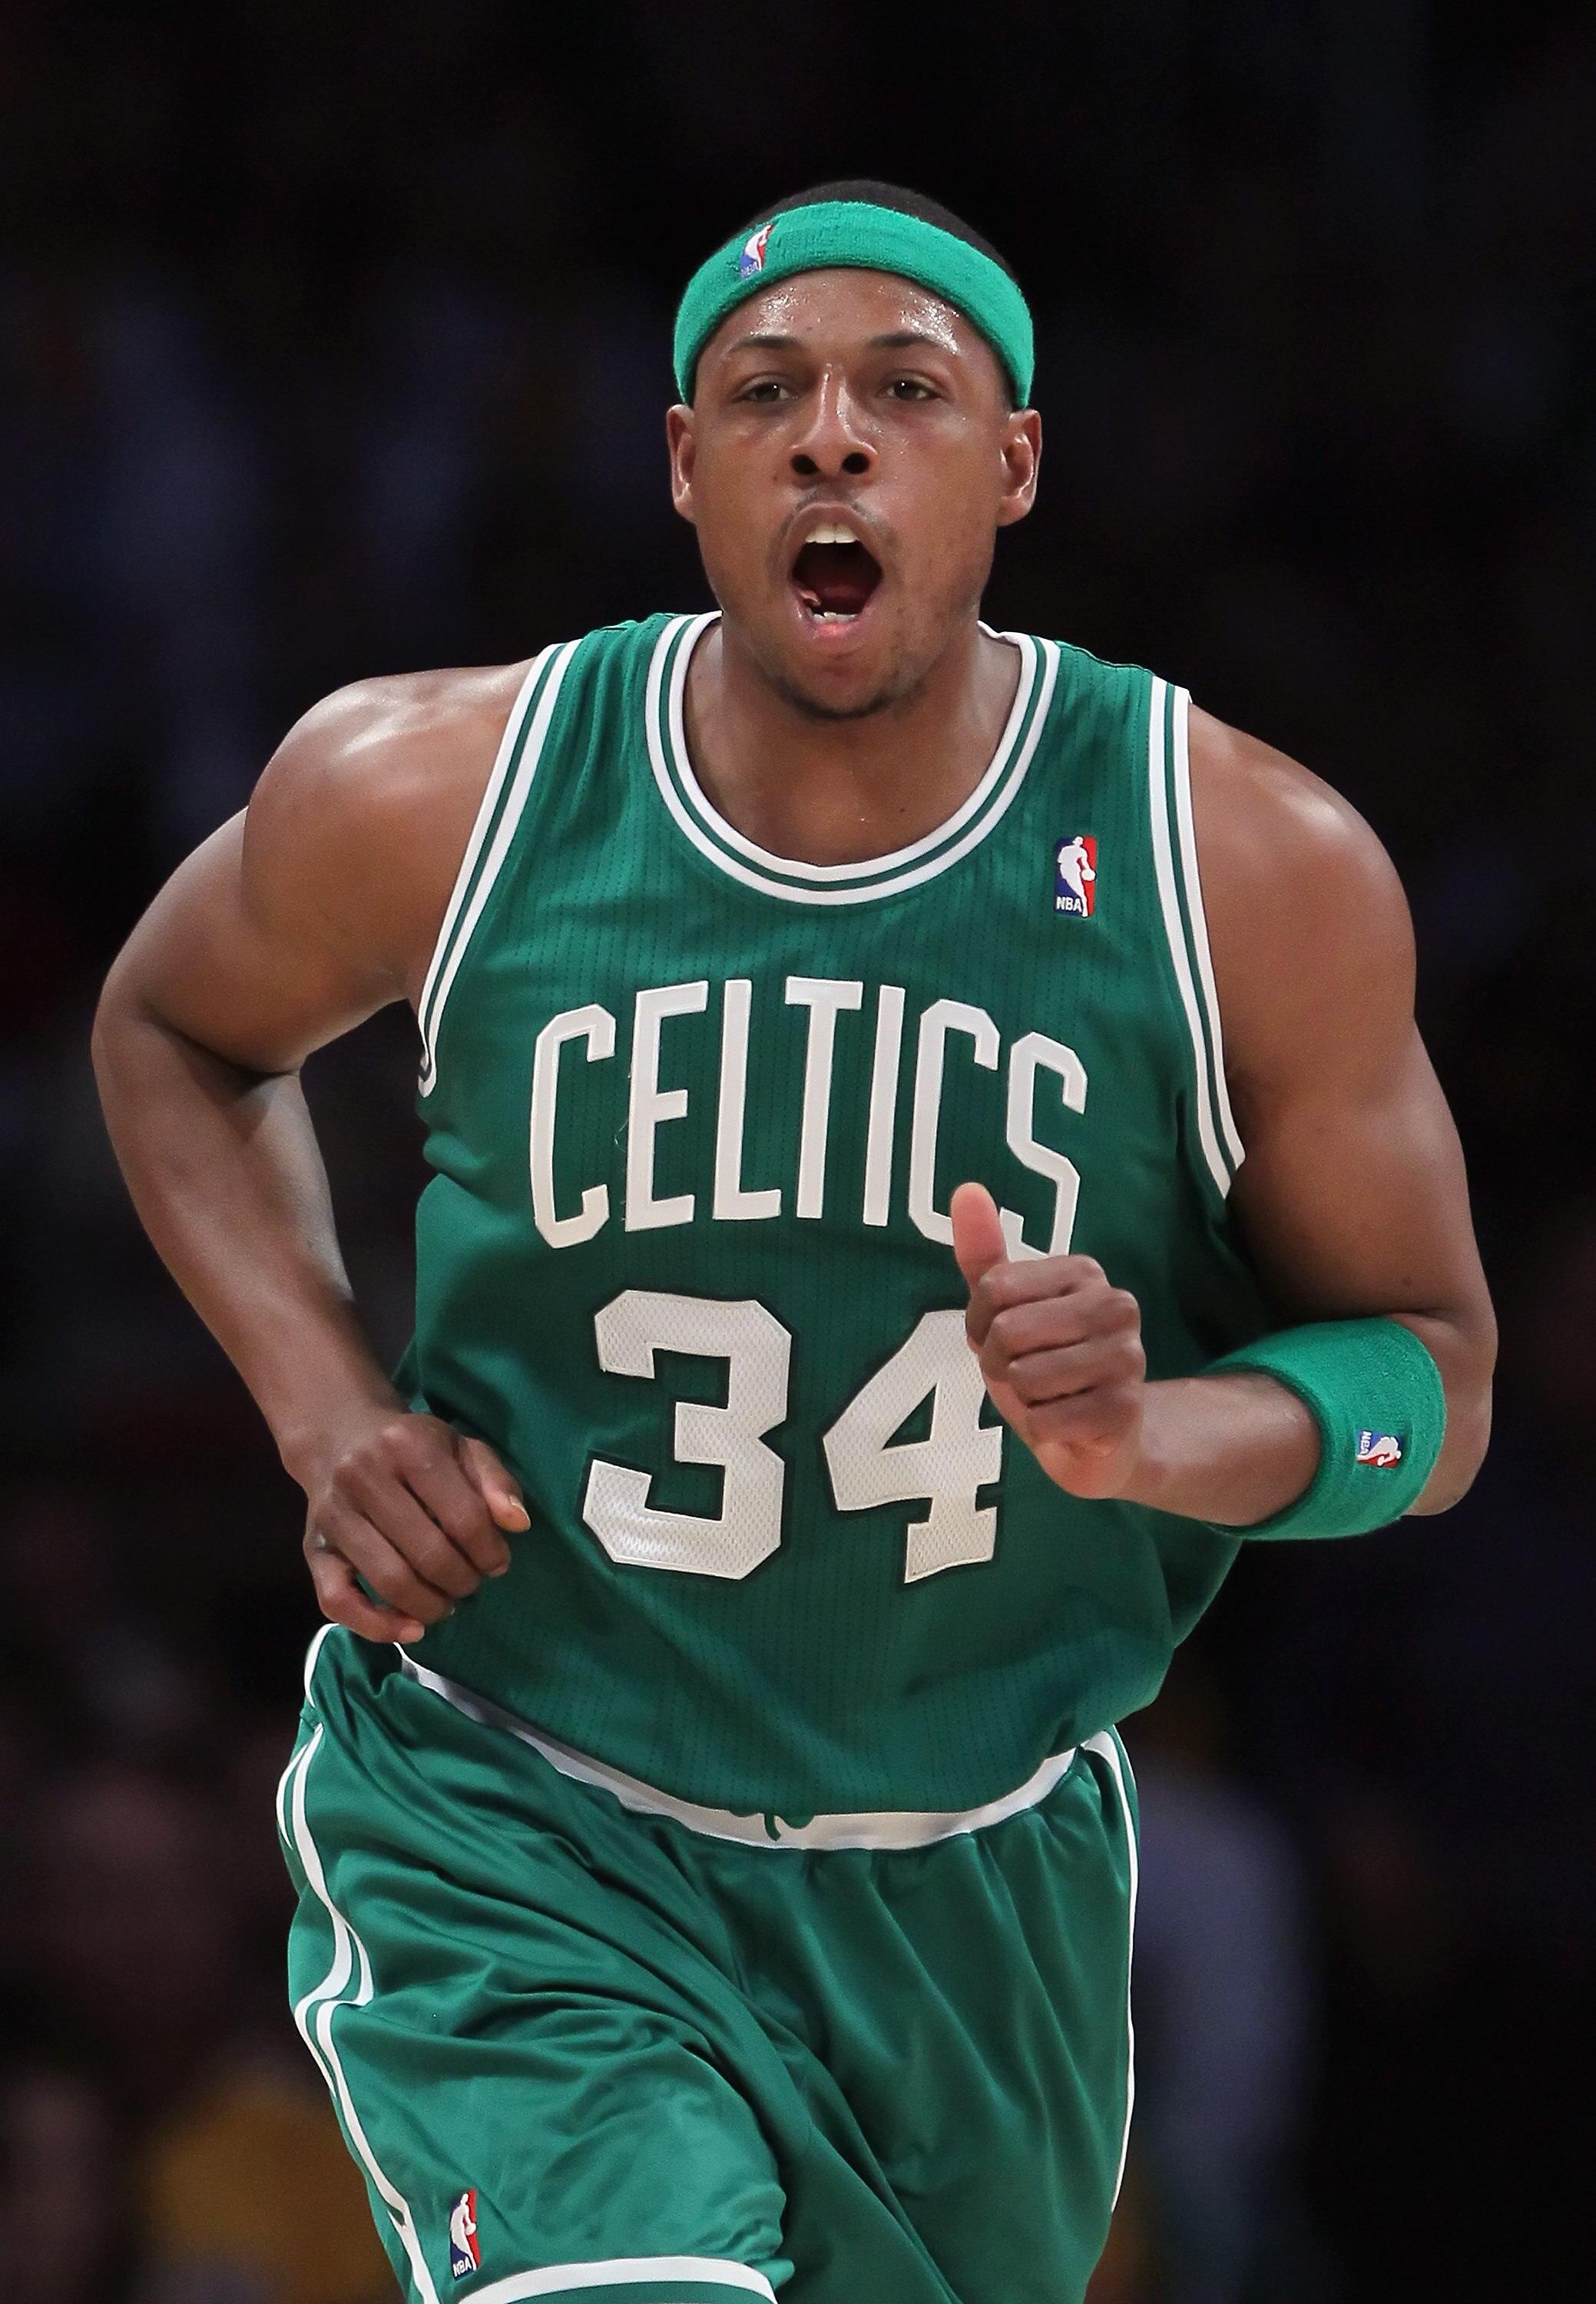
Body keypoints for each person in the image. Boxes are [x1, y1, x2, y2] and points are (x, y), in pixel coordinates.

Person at [93, 181, 1495, 2304]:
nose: (831, 438)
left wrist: (1155, 1437)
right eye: (768, 394)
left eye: (903, 392)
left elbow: (1435, 1378)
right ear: (686, 465)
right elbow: (174, 1027)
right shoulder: (442, 788)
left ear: (1011, 462)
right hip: (522, 1818)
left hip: (974, 1882)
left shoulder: (1243, 862)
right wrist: (322, 1407)